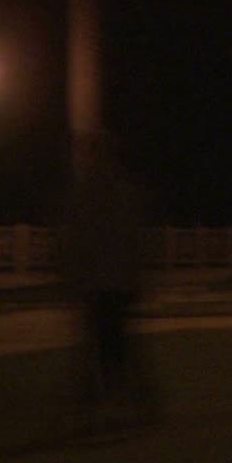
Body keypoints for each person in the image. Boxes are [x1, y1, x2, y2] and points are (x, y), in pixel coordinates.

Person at [60, 134, 156, 430]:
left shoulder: (90, 194)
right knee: (115, 347)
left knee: (106, 348)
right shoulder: (121, 192)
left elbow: (78, 240)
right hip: (115, 282)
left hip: (102, 283)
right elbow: (135, 239)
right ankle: (123, 402)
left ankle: (110, 403)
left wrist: (72, 277)